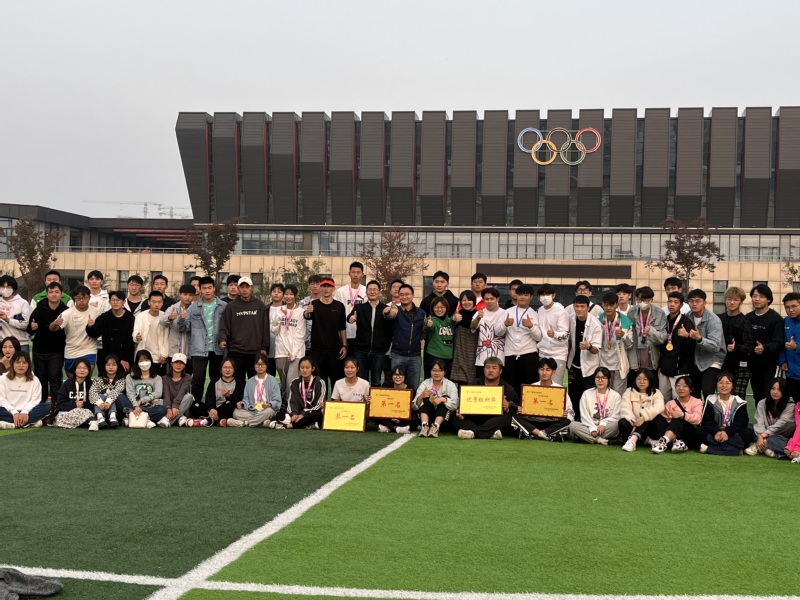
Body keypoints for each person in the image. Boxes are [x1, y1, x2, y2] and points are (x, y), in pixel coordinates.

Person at [181, 276, 226, 401]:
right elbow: (185, 328)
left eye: (209, 288)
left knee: (216, 379)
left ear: (214, 288)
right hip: (199, 349)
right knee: (197, 379)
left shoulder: (223, 306)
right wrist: (181, 319)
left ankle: (214, 404)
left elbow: (227, 327)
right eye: (204, 288)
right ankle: (196, 405)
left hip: (217, 349)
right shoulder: (193, 307)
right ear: (200, 290)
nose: (207, 291)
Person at [511, 356, 573, 441]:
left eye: (548, 370)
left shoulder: (560, 390)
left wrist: (566, 414)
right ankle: (545, 434)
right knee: (516, 416)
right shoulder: (531, 387)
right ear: (538, 370)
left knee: (567, 421)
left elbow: (570, 413)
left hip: (551, 423)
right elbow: (525, 409)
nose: (544, 373)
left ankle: (535, 433)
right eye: (541, 369)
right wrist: (522, 410)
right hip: (534, 422)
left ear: (553, 372)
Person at [218, 276, 269, 381]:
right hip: (236, 351)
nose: (244, 289)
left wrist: (264, 347)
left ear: (252, 288)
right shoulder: (231, 306)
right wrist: (222, 339)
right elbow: (224, 326)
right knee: (237, 382)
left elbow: (265, 327)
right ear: (238, 288)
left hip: (255, 351)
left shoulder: (259, 305)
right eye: (242, 287)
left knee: (255, 381)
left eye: (247, 287)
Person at [454, 356, 517, 440]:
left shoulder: (508, 389)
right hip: (475, 418)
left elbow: (516, 409)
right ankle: (490, 433)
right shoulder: (473, 384)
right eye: (487, 367)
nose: (490, 370)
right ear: (483, 370)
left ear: (500, 371)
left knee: (507, 418)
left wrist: (508, 407)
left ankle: (473, 433)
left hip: (494, 421)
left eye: (494, 368)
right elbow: (464, 403)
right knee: (455, 418)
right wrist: (461, 411)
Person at [303, 277, 347, 390]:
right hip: (317, 350)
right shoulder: (313, 304)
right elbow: (307, 316)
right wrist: (308, 312)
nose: (326, 289)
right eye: (324, 286)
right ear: (320, 288)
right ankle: (321, 401)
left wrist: (344, 345)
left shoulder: (339, 306)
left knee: (336, 379)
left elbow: (342, 328)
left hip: (334, 349)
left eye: (329, 287)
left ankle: (335, 400)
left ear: (333, 289)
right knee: (319, 381)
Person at [27, 282, 68, 401]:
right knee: (40, 378)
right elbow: (29, 330)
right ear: (47, 294)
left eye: (57, 292)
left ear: (61, 294)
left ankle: (57, 405)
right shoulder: (39, 309)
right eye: (51, 292)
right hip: (39, 350)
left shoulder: (66, 310)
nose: (54, 294)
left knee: (55, 378)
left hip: (57, 350)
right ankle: (41, 404)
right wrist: (32, 327)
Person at [499, 284, 541, 396]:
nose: (522, 297)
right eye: (520, 294)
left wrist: (531, 326)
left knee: (529, 388)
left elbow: (539, 337)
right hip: (510, 355)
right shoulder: (507, 312)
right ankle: (511, 407)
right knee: (511, 388)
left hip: (529, 355)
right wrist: (505, 324)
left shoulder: (535, 314)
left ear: (531, 297)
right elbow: (498, 332)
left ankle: (528, 407)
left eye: (526, 295)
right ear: (515, 295)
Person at [746, 284, 785, 406]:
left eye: (761, 296)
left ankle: (773, 418)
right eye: (754, 296)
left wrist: (765, 348)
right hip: (753, 365)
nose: (757, 299)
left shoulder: (776, 319)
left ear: (768, 299)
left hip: (770, 365)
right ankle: (760, 418)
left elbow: (779, 342)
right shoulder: (748, 317)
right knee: (757, 396)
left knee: (771, 395)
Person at [348, 280, 392, 387]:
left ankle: (374, 398)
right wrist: (351, 318)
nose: (372, 292)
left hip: (379, 351)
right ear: (366, 292)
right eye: (370, 290)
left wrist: (384, 346)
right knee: (362, 380)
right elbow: (350, 316)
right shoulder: (359, 307)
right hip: (361, 350)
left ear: (379, 292)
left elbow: (389, 330)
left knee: (376, 380)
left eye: (375, 290)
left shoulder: (385, 309)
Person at [684, 289, 726, 399]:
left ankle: (710, 410)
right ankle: (697, 410)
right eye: (691, 301)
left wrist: (699, 339)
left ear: (705, 303)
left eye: (698, 301)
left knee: (707, 390)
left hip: (712, 360)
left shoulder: (713, 320)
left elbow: (715, 346)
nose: (694, 304)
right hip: (694, 360)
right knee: (693, 392)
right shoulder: (687, 317)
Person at [700, 371, 753, 456]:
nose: (724, 386)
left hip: (731, 432)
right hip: (715, 432)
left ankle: (710, 448)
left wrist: (727, 432)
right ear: (716, 385)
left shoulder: (740, 402)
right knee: (698, 432)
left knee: (749, 433)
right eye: (721, 383)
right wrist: (716, 432)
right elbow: (707, 421)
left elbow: (741, 424)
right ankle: (734, 449)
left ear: (732, 386)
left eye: (727, 383)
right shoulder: (710, 400)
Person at [567, 295, 602, 421]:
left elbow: (596, 349)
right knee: (573, 395)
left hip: (589, 368)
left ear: (588, 308)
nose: (579, 309)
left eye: (582, 306)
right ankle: (574, 421)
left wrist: (588, 347)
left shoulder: (595, 324)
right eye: (577, 306)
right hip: (573, 364)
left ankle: (587, 421)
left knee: (588, 396)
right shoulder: (570, 318)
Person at [649, 375, 704, 454]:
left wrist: (682, 414)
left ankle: (663, 442)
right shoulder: (670, 403)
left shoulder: (697, 401)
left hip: (689, 432)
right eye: (678, 385)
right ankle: (676, 442)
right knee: (658, 417)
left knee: (678, 418)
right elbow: (664, 421)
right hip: (674, 431)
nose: (681, 388)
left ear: (691, 389)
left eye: (685, 386)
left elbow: (698, 419)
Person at [86, 290, 135, 377]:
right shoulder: (104, 317)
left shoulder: (130, 318)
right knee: (104, 381)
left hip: (124, 358)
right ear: (109, 302)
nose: (115, 302)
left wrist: (125, 359)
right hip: (106, 356)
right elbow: (94, 334)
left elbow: (130, 341)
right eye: (113, 300)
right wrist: (90, 327)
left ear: (123, 302)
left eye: (118, 300)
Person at [625, 286, 667, 389]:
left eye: (647, 300)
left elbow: (662, 338)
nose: (644, 303)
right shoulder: (631, 313)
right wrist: (633, 363)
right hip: (637, 359)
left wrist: (651, 332)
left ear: (651, 300)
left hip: (653, 359)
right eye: (641, 300)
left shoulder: (659, 313)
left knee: (652, 390)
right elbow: (630, 339)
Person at [569, 366, 623, 445]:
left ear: (608, 380)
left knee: (618, 424)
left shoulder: (616, 396)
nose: (600, 380)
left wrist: (603, 424)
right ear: (594, 379)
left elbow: (616, 416)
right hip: (589, 426)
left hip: (606, 427)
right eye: (598, 377)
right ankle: (600, 440)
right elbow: (584, 415)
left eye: (603, 378)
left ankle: (586, 437)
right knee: (573, 425)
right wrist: (592, 428)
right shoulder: (586, 394)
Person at [657, 292, 695, 401]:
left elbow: (691, 348)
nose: (672, 305)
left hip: (680, 370)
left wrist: (687, 336)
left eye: (676, 302)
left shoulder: (686, 323)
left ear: (681, 305)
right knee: (663, 400)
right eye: (670, 301)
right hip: (664, 369)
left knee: (678, 400)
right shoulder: (664, 321)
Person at [272, 284, 307, 400]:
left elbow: (300, 335)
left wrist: (294, 352)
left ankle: (291, 404)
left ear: (295, 295)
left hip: (296, 352)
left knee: (291, 380)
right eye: (286, 294)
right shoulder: (280, 310)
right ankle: (284, 403)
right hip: (281, 351)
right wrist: (280, 316)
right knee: (283, 382)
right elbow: (274, 330)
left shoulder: (301, 312)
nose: (288, 297)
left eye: (291, 294)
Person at [745, 377, 796, 457]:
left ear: (785, 391)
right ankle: (766, 446)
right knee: (747, 427)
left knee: (791, 426)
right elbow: (760, 422)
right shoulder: (762, 403)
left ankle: (760, 445)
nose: (775, 392)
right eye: (773, 389)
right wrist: (760, 435)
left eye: (779, 390)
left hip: (779, 434)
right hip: (764, 433)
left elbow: (781, 423)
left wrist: (763, 436)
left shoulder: (790, 405)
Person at [386, 283, 425, 389]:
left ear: (412, 295)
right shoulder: (395, 311)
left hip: (415, 355)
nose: (404, 297)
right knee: (397, 385)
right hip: (398, 354)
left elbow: (423, 330)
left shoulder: (421, 313)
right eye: (401, 294)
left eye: (407, 294)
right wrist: (387, 313)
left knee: (413, 386)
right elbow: (388, 316)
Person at [56, 285, 101, 374]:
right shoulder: (67, 313)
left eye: (84, 298)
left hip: (89, 349)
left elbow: (99, 331)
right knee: (72, 378)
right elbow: (54, 328)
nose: (81, 300)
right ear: (74, 298)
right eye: (78, 298)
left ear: (89, 298)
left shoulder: (96, 312)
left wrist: (92, 327)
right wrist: (55, 324)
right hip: (71, 350)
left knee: (86, 375)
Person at [227, 355, 282, 428]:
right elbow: (246, 399)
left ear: (266, 365)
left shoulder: (272, 380)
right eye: (258, 364)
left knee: (269, 412)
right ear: (254, 365)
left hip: (266, 409)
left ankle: (244, 423)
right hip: (252, 410)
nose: (260, 367)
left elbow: (277, 400)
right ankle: (262, 423)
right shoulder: (250, 381)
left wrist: (269, 404)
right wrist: (242, 404)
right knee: (236, 412)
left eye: (262, 364)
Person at [619, 368, 665, 451]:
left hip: (649, 427)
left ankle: (633, 440)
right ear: (635, 380)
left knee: (649, 416)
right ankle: (649, 441)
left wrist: (643, 417)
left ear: (650, 380)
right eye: (639, 379)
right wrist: (635, 423)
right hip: (633, 424)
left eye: (645, 379)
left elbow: (660, 406)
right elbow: (625, 409)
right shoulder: (629, 391)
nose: (641, 382)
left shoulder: (656, 392)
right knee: (622, 422)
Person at [121, 349, 169, 428]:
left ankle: (132, 416)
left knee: (162, 409)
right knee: (120, 397)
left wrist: (141, 401)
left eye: (146, 360)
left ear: (151, 361)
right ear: (137, 363)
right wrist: (136, 406)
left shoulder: (157, 378)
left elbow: (158, 393)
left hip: (149, 406)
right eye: (141, 360)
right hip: (132, 405)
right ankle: (145, 418)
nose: (144, 362)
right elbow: (130, 393)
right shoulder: (129, 377)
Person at [597, 292, 633, 395]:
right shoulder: (598, 320)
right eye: (606, 304)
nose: (608, 308)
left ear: (617, 305)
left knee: (617, 395)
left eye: (611, 305)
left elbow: (630, 345)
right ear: (602, 305)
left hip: (619, 364)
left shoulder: (625, 321)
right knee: (603, 393)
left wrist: (623, 335)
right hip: (602, 363)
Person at [718, 286, 751, 399]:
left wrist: (736, 347)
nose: (732, 302)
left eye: (736, 300)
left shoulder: (745, 321)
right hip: (722, 363)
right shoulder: (719, 319)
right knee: (723, 397)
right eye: (729, 299)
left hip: (741, 366)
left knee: (738, 398)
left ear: (741, 302)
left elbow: (749, 345)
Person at [0, 352, 48, 429]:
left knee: (46, 407)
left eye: (24, 363)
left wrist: (25, 412)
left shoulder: (35, 380)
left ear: (29, 365)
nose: (21, 365)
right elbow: (1, 400)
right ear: (12, 364)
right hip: (8, 411)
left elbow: (35, 400)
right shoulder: (3, 379)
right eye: (17, 362)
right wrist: (14, 412)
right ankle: (29, 423)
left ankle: (12, 424)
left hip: (28, 412)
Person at [413, 358, 458, 438]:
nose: (437, 373)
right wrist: (421, 396)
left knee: (445, 398)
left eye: (440, 370)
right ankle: (424, 427)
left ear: (444, 372)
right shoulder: (425, 383)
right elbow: (414, 407)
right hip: (429, 416)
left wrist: (442, 399)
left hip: (444, 420)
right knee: (425, 397)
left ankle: (435, 427)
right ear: (430, 371)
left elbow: (455, 405)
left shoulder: (450, 385)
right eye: (434, 370)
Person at [536, 283, 570, 386]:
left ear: (553, 295)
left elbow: (565, 334)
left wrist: (554, 334)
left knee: (556, 385)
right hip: (543, 353)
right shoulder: (540, 310)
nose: (545, 297)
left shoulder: (561, 312)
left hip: (558, 354)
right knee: (543, 385)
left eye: (547, 294)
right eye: (542, 295)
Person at [132, 290, 169, 376]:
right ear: (149, 302)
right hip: (143, 356)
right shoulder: (141, 316)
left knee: (159, 381)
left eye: (159, 302)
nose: (157, 304)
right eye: (154, 302)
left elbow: (167, 338)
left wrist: (164, 354)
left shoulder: (165, 317)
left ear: (162, 303)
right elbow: (136, 331)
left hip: (159, 358)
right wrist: (137, 336)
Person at [160, 284, 194, 374]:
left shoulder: (195, 309)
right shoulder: (173, 307)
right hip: (174, 350)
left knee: (187, 377)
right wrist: (170, 317)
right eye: (185, 294)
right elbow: (162, 322)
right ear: (180, 295)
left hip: (189, 351)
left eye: (190, 295)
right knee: (172, 376)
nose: (187, 297)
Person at [473, 287, 506, 380]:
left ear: (497, 299)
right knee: (481, 384)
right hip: (481, 358)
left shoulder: (504, 313)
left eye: (492, 298)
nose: (489, 301)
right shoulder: (480, 313)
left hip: (500, 357)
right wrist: (478, 318)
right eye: (486, 299)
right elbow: (472, 327)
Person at [285, 357, 326, 429]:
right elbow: (291, 401)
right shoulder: (294, 382)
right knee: (280, 415)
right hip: (298, 413)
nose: (304, 370)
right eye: (302, 367)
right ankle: (310, 424)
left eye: (307, 368)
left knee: (318, 414)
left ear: (313, 369)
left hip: (312, 412)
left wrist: (304, 414)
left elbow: (318, 405)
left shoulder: (319, 382)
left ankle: (292, 425)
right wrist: (294, 414)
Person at [335, 262, 366, 352]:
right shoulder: (341, 291)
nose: (355, 275)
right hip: (344, 333)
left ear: (362, 274)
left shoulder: (366, 291)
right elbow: (336, 312)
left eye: (358, 272)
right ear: (349, 273)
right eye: (353, 272)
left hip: (361, 335)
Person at [54, 357, 94, 429]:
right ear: (75, 370)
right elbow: (60, 404)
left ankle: (88, 421)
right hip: (69, 412)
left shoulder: (92, 385)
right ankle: (87, 421)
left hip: (86, 411)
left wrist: (83, 404)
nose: (82, 370)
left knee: (87, 413)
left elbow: (94, 404)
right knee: (60, 417)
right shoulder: (67, 384)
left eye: (85, 368)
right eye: (79, 368)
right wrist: (75, 405)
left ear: (89, 371)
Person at [88, 354, 126, 430]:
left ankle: (113, 417)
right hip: (100, 407)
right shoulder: (98, 380)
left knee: (113, 398)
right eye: (108, 365)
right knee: (101, 396)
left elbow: (116, 391)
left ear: (118, 366)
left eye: (114, 365)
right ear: (104, 366)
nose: (111, 367)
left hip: (116, 410)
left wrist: (108, 402)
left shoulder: (121, 381)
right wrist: (100, 403)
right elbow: (92, 392)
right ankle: (100, 418)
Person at [450, 290, 479, 386]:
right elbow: (452, 322)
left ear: (474, 301)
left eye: (469, 300)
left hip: (474, 349)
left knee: (473, 377)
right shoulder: (458, 314)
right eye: (464, 300)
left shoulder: (478, 315)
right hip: (460, 349)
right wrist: (454, 319)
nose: (466, 302)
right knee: (461, 379)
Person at [203, 358, 244, 426]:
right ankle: (220, 421)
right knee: (196, 405)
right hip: (214, 409)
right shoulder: (214, 381)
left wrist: (229, 396)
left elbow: (238, 399)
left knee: (230, 403)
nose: (227, 370)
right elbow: (209, 397)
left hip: (229, 408)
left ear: (234, 370)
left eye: (230, 368)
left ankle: (207, 420)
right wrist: (211, 409)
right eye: (225, 367)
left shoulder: (239, 383)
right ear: (221, 369)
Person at [374, 365, 413, 434]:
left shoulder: (411, 389)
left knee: (416, 416)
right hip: (388, 417)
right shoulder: (386, 386)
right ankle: (396, 428)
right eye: (395, 375)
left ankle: (388, 427)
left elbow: (411, 408)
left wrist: (400, 418)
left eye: (400, 375)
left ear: (405, 376)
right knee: (374, 413)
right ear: (391, 376)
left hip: (403, 418)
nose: (397, 377)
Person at [423, 297, 454, 379]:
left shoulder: (450, 321)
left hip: (448, 357)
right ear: (432, 308)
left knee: (446, 383)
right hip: (433, 356)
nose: (439, 310)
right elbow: (428, 327)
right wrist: (429, 325)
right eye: (436, 307)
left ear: (446, 308)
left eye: (442, 307)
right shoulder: (431, 320)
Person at [0, 275, 31, 352]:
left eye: (8, 287)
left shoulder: (22, 303)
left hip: (20, 343)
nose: (5, 289)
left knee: (21, 360)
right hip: (3, 344)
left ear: (13, 288)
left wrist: (8, 320)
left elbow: (26, 324)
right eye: (3, 287)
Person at [765, 392, 800, 462]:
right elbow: (799, 428)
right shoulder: (798, 406)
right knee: (771, 440)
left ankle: (786, 455)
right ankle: (792, 455)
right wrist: (790, 447)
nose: (775, 392)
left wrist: (797, 448)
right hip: (797, 443)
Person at [163, 353, 195, 426]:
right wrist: (168, 408)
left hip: (181, 405)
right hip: (169, 405)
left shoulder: (187, 377)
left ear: (184, 366)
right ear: (171, 364)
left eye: (181, 363)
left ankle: (168, 421)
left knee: (189, 397)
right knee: (159, 401)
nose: (178, 365)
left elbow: (182, 392)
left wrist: (175, 406)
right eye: (176, 362)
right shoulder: (165, 378)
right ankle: (179, 418)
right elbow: (166, 394)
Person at [780, 292, 800, 402]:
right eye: (787, 307)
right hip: (791, 375)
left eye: (794, 306)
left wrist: (796, 347)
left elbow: (793, 346)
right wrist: (783, 361)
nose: (790, 310)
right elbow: (782, 344)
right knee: (793, 407)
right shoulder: (785, 321)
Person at [266, 282, 285, 375]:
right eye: (274, 291)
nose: (276, 293)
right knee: (270, 374)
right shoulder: (265, 309)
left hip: (283, 347)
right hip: (269, 347)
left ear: (283, 294)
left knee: (284, 374)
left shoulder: (288, 309)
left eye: (279, 292)